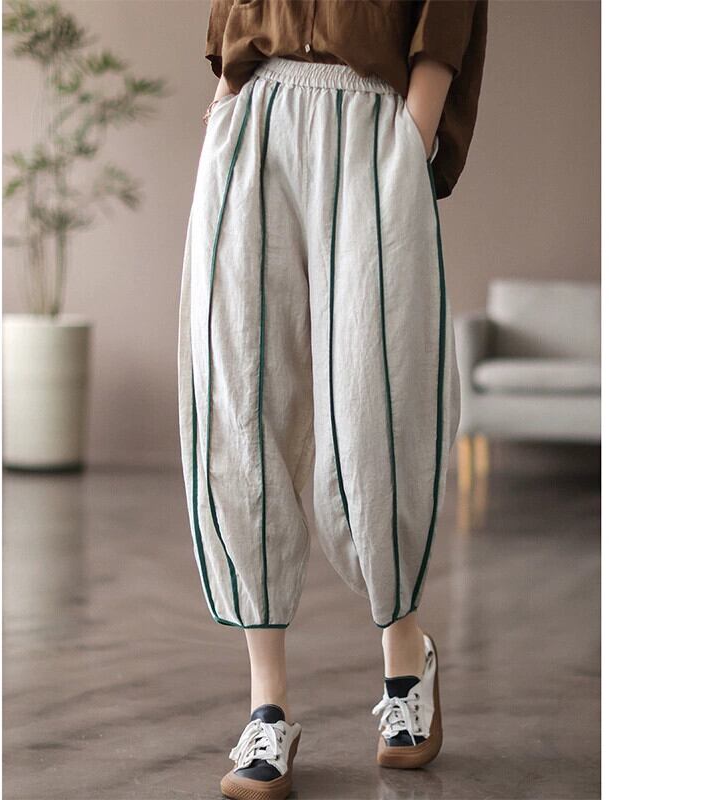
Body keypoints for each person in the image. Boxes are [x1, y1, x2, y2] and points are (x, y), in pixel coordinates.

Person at [178, 2, 487, 797]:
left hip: (373, 119)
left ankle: (404, 656)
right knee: (241, 399)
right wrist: (225, 101)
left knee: (377, 399)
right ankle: (267, 706)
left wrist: (413, 130)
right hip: (256, 111)